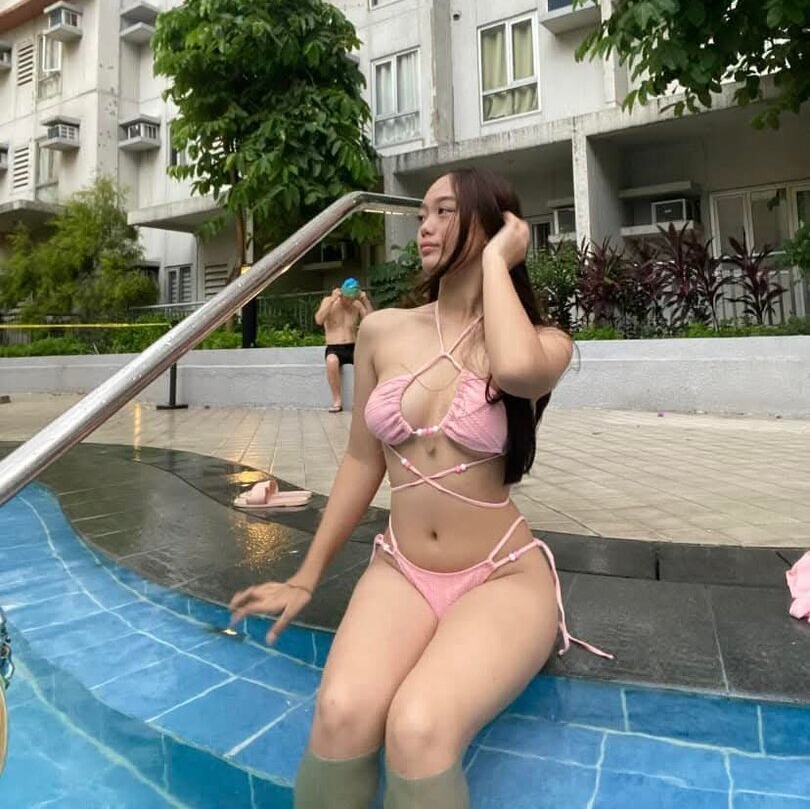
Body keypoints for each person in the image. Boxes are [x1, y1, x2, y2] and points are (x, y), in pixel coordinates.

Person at [230, 168, 612, 809]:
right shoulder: (383, 331)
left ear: (495, 226)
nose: (425, 228)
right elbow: (362, 462)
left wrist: (496, 260)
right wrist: (306, 576)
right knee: (341, 711)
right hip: (401, 569)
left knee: (419, 727)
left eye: (444, 212)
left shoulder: (544, 343)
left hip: (501, 575)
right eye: (421, 215)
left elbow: (516, 370)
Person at [314, 280, 374, 412]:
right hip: (334, 347)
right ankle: (337, 400)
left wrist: (365, 301)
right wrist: (331, 300)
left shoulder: (357, 304)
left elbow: (371, 321)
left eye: (352, 298)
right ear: (342, 294)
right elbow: (319, 320)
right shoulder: (329, 301)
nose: (349, 302)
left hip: (353, 346)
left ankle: (364, 400)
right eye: (347, 298)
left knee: (368, 364)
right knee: (331, 361)